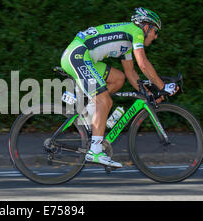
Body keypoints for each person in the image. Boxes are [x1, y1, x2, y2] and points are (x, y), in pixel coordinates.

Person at [60, 7, 178, 167]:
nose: (156, 36)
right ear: (145, 27)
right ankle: (95, 150)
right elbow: (143, 64)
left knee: (118, 78)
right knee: (105, 101)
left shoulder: (127, 41)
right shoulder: (135, 32)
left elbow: (130, 73)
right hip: (78, 55)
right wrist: (163, 86)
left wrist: (149, 93)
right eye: (155, 31)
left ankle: (90, 111)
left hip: (82, 55)